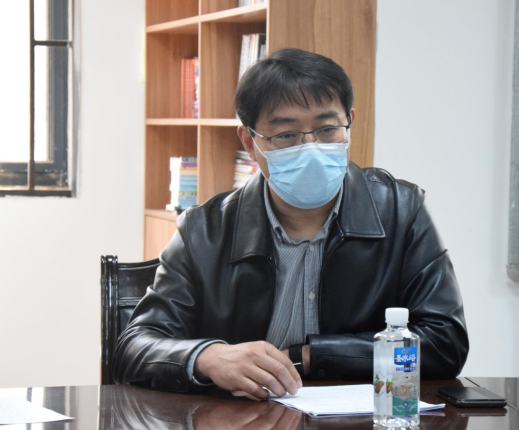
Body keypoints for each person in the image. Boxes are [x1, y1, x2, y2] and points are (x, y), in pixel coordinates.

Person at [113, 48, 469, 400]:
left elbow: (444, 343)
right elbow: (134, 346)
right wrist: (209, 357)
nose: (310, 147)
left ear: (349, 124)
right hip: (240, 418)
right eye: (286, 135)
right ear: (250, 142)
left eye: (327, 129)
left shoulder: (401, 211)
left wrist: (311, 356)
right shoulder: (203, 230)